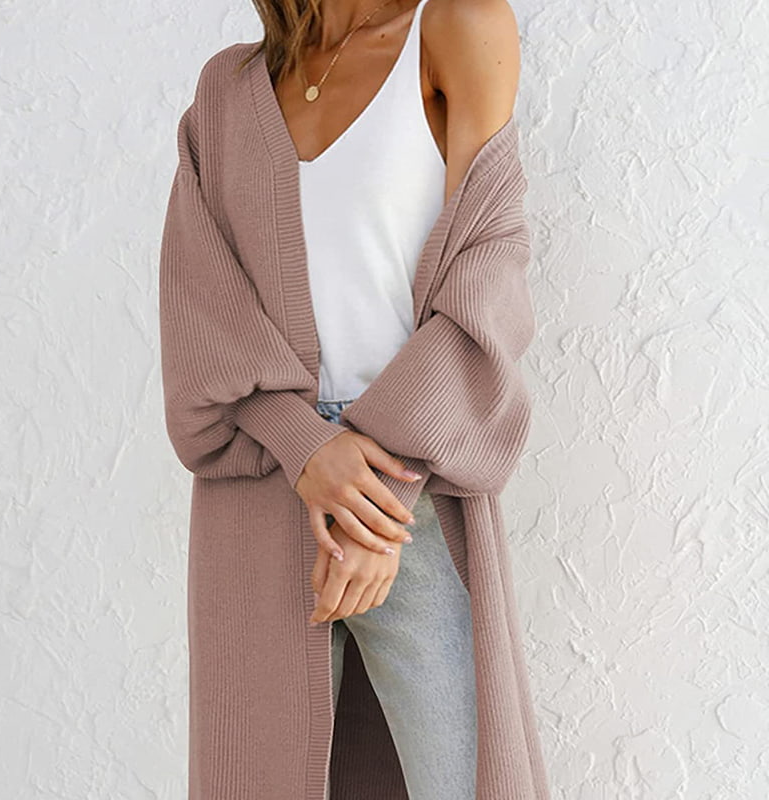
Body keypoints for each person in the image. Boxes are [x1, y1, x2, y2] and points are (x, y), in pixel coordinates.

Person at [159, 0, 543, 797]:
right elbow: (203, 309)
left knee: (464, 779)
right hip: (266, 482)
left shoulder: (457, 26)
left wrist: (382, 494)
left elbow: (488, 272)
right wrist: (307, 448)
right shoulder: (228, 90)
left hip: (411, 489)